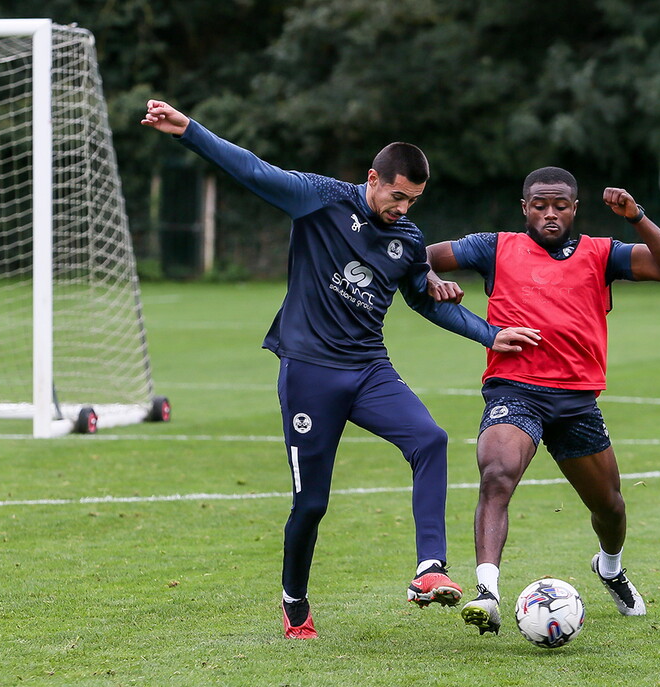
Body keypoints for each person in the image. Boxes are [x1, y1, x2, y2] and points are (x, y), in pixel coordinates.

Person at [141, 100, 539, 639]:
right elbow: (252, 168)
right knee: (312, 503)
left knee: (430, 439)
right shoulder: (319, 198)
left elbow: (425, 301)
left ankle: (430, 569)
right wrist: (188, 131)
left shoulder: (409, 239)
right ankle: (294, 598)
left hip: (369, 369)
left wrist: (489, 332)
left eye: (414, 200)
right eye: (397, 195)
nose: (403, 207)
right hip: (310, 372)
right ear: (372, 179)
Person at [425, 166, 660, 635]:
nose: (550, 214)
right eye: (540, 205)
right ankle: (488, 592)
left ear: (574, 209)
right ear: (525, 207)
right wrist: (429, 278)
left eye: (560, 206)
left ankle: (610, 567)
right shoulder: (494, 246)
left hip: (576, 402)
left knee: (609, 507)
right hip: (514, 390)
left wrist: (637, 217)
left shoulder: (601, 253)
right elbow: (418, 258)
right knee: (496, 474)